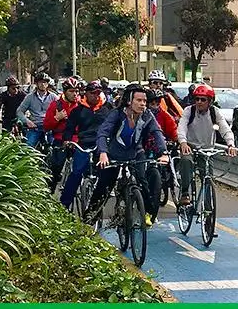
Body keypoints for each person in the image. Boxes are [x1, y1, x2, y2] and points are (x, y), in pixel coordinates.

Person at [89, 84, 170, 227]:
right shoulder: (117, 114)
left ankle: (147, 214)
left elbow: (157, 132)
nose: (143, 104)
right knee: (103, 186)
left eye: (144, 101)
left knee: (143, 183)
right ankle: (89, 218)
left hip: (135, 154)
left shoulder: (147, 115)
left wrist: (164, 153)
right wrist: (103, 153)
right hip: (114, 155)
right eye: (139, 100)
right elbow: (103, 133)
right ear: (129, 101)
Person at [176, 84, 237, 207]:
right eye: (197, 99)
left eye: (203, 99)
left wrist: (231, 144)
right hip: (190, 147)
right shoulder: (189, 111)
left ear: (210, 101)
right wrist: (183, 142)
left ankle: (209, 210)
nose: (199, 102)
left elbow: (225, 129)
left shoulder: (215, 112)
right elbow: (181, 127)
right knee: (186, 162)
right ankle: (184, 193)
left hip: (207, 150)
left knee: (208, 178)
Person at [58, 80, 116, 210]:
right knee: (76, 173)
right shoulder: (78, 110)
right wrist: (67, 140)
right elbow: (69, 128)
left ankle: (100, 202)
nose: (95, 96)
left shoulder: (107, 109)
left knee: (106, 172)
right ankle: (64, 206)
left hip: (101, 145)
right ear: (86, 94)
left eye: (98, 93)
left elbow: (115, 127)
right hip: (83, 144)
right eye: (92, 93)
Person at [42, 77, 83, 192]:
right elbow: (46, 126)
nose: (75, 94)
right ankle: (49, 192)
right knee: (56, 167)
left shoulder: (81, 105)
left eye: (76, 91)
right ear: (65, 92)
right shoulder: (56, 105)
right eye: (71, 91)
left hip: (78, 140)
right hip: (60, 139)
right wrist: (57, 118)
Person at [17, 73, 58, 148]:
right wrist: (27, 121)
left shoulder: (53, 97)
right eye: (40, 82)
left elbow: (61, 110)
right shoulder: (29, 97)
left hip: (50, 127)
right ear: (36, 83)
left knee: (56, 147)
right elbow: (19, 111)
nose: (43, 84)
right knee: (28, 147)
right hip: (35, 127)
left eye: (45, 82)